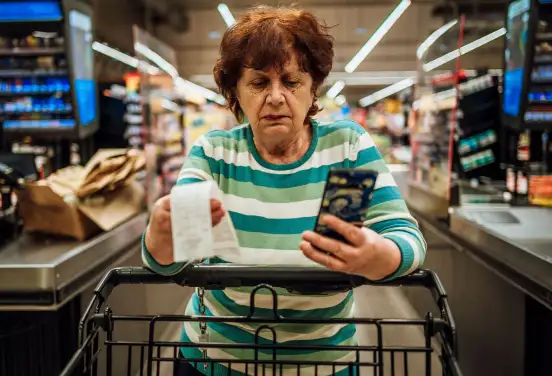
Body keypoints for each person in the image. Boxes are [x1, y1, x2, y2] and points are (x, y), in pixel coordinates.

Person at [143, 5, 426, 376]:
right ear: (236, 94)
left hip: (323, 366)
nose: (276, 97)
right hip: (214, 361)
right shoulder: (215, 153)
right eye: (259, 83)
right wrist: (162, 235)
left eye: (291, 82)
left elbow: (406, 237)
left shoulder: (347, 148)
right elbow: (172, 260)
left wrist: (379, 257)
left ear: (312, 91)